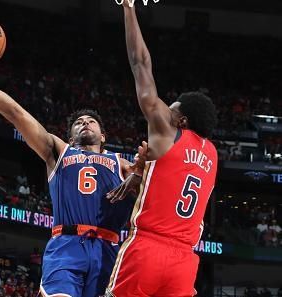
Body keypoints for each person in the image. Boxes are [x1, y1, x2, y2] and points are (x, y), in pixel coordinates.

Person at [0, 36, 141, 297]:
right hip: (67, 246)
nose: (85, 123)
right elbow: (15, 112)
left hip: (108, 250)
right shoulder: (58, 151)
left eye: (91, 121)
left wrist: (140, 174)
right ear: (70, 137)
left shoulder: (124, 164)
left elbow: (158, 191)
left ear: (103, 136)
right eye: (79, 121)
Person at [105, 3, 218, 297]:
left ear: (181, 120)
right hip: (184, 261)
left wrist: (129, 8)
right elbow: (174, 184)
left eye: (172, 108)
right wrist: (141, 174)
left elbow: (140, 63)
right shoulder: (213, 155)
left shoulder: (169, 131)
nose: (164, 108)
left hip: (148, 248)